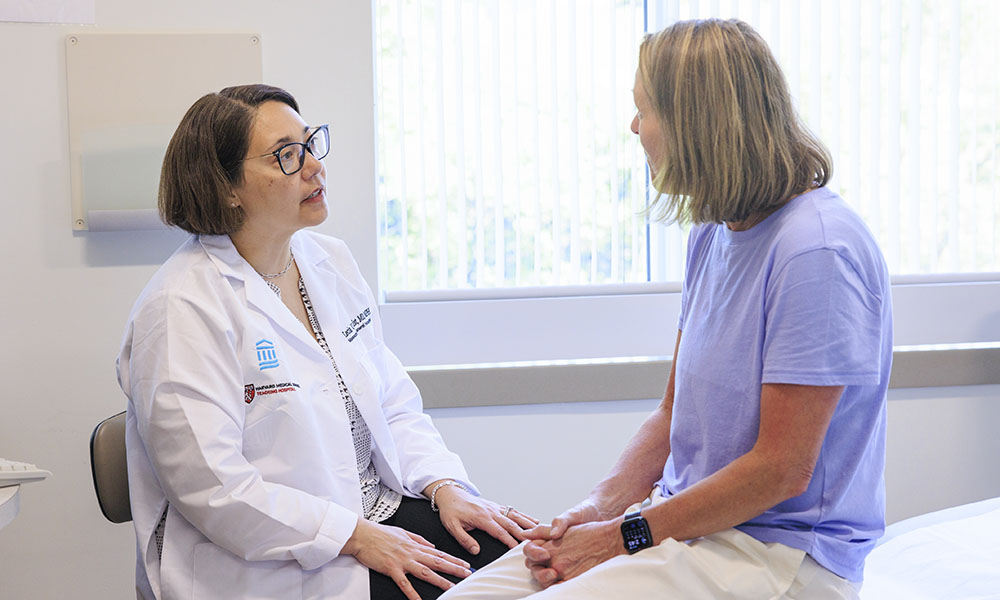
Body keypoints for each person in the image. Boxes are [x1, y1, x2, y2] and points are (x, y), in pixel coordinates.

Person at [440, 18, 891, 600]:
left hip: (779, 553)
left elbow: (781, 470)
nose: (634, 127)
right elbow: (671, 413)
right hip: (683, 526)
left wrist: (619, 537)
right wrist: (596, 509)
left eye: (644, 109)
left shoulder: (816, 252)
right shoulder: (714, 231)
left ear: (696, 123)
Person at [116, 84, 537, 600]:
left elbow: (393, 403)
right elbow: (215, 490)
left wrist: (443, 486)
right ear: (226, 187)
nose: (314, 166)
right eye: (286, 156)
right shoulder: (181, 308)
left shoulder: (328, 261)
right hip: (272, 559)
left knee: (531, 567)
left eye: (310, 145)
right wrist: (355, 536)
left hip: (376, 514)